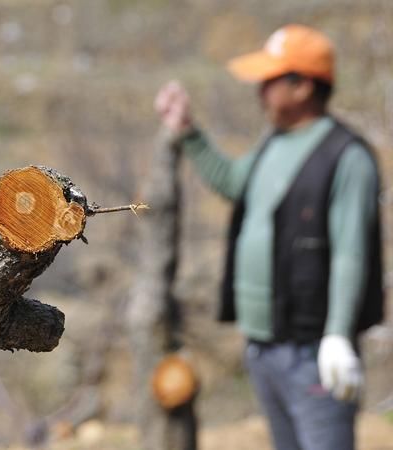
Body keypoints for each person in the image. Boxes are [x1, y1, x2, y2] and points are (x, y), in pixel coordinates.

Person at [155, 24, 384, 450]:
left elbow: (351, 254)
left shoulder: (347, 157)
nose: (260, 90)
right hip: (264, 347)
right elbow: (233, 183)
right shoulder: (273, 143)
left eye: (270, 80)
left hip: (314, 352)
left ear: (302, 86)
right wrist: (188, 131)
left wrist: (337, 335)